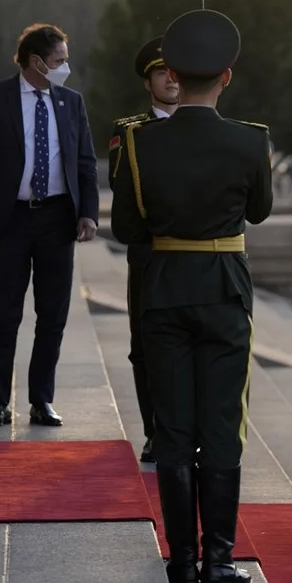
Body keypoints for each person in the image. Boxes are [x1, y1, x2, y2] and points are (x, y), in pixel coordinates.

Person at [111, 8, 273, 583]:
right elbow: (258, 212)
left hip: (162, 295)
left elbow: (129, 228)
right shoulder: (250, 142)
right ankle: (218, 560)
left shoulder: (137, 143)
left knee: (174, 430)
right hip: (225, 292)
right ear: (226, 76)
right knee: (223, 426)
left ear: (173, 73)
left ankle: (181, 561)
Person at [0, 23, 99, 429]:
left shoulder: (71, 102)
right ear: (36, 62)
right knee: (6, 313)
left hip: (57, 219)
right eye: (59, 60)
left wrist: (88, 211)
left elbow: (84, 162)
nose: (65, 67)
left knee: (52, 314)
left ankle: (41, 400)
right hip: (10, 219)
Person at [107, 35, 179, 463]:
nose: (170, 81)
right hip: (149, 252)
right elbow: (124, 191)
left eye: (175, 73)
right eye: (159, 74)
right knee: (145, 345)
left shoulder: (204, 124)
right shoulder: (129, 131)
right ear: (147, 82)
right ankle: (155, 431)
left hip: (193, 251)